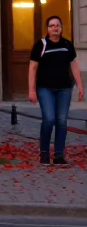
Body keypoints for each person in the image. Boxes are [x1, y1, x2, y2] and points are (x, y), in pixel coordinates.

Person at [29, 15, 84, 165]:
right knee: (49, 119)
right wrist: (31, 90)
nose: (55, 28)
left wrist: (80, 85)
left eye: (57, 25)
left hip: (64, 89)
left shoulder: (67, 44)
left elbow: (74, 65)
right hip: (45, 88)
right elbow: (33, 68)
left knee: (61, 121)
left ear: (61, 28)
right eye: (52, 25)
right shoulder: (41, 45)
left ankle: (59, 155)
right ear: (48, 29)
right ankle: (44, 153)